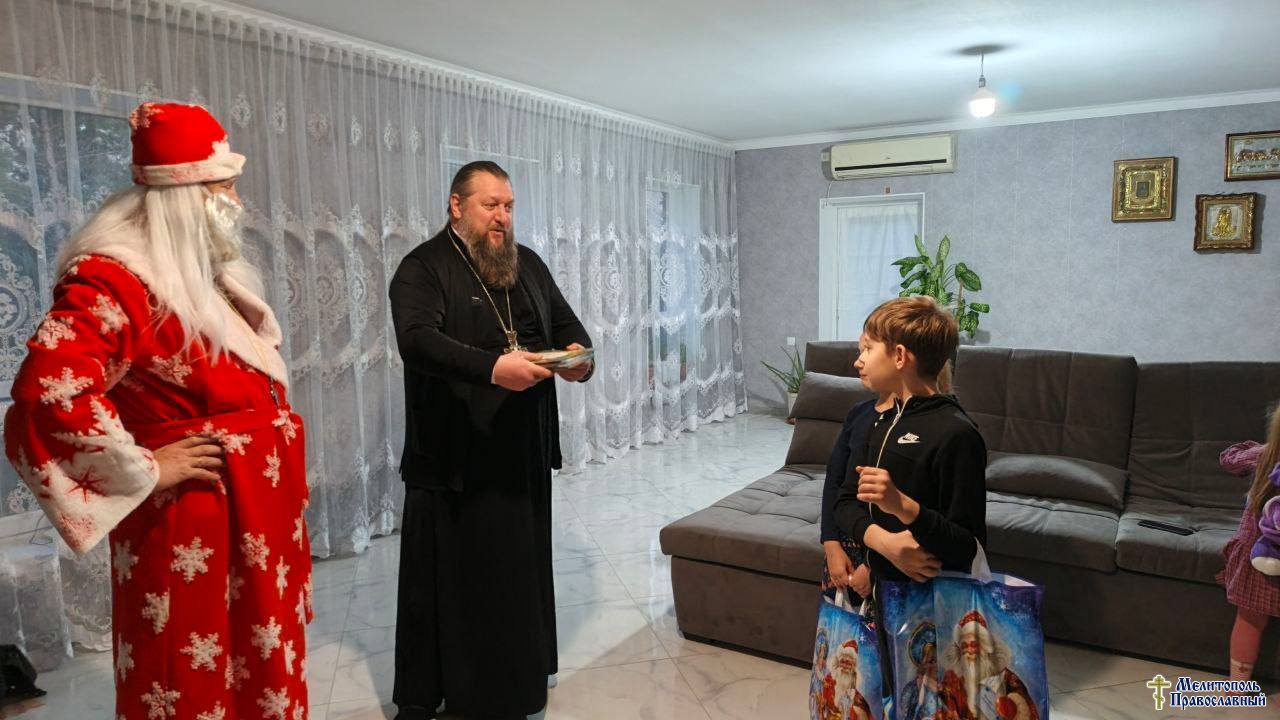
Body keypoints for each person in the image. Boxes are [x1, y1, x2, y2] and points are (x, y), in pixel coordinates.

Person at [3, 102, 310, 719]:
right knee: (186, 669)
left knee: (258, 658)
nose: (236, 200)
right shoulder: (115, 278)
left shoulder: (195, 269)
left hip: (255, 515)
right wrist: (146, 467)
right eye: (224, 186)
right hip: (195, 515)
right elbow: (48, 392)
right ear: (185, 193)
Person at [389, 161, 593, 720]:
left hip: (520, 455)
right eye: (490, 205)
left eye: (508, 206)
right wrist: (493, 369)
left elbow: (570, 330)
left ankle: (517, 682)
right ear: (457, 206)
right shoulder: (423, 268)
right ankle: (454, 692)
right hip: (455, 457)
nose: (502, 217)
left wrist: (579, 360)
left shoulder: (529, 265)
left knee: (515, 575)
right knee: (461, 582)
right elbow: (417, 342)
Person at [832, 296, 987, 698]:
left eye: (868, 348)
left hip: (932, 611)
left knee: (927, 700)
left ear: (900, 356)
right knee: (881, 693)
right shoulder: (879, 423)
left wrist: (904, 508)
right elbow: (845, 504)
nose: (858, 360)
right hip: (878, 597)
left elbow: (967, 545)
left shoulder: (957, 434)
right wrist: (884, 545)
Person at [1216, 403, 1280, 684]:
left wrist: (1250, 446)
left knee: (1250, 620)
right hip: (1261, 553)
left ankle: (1237, 687)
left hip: (1255, 556)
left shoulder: (1264, 455)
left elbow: (1229, 459)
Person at [939, 610, 1038, 720]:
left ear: (985, 646)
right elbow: (942, 707)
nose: (969, 651)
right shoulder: (952, 679)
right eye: (964, 646)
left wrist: (1013, 707)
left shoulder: (1007, 678)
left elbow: (1029, 711)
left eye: (974, 645)